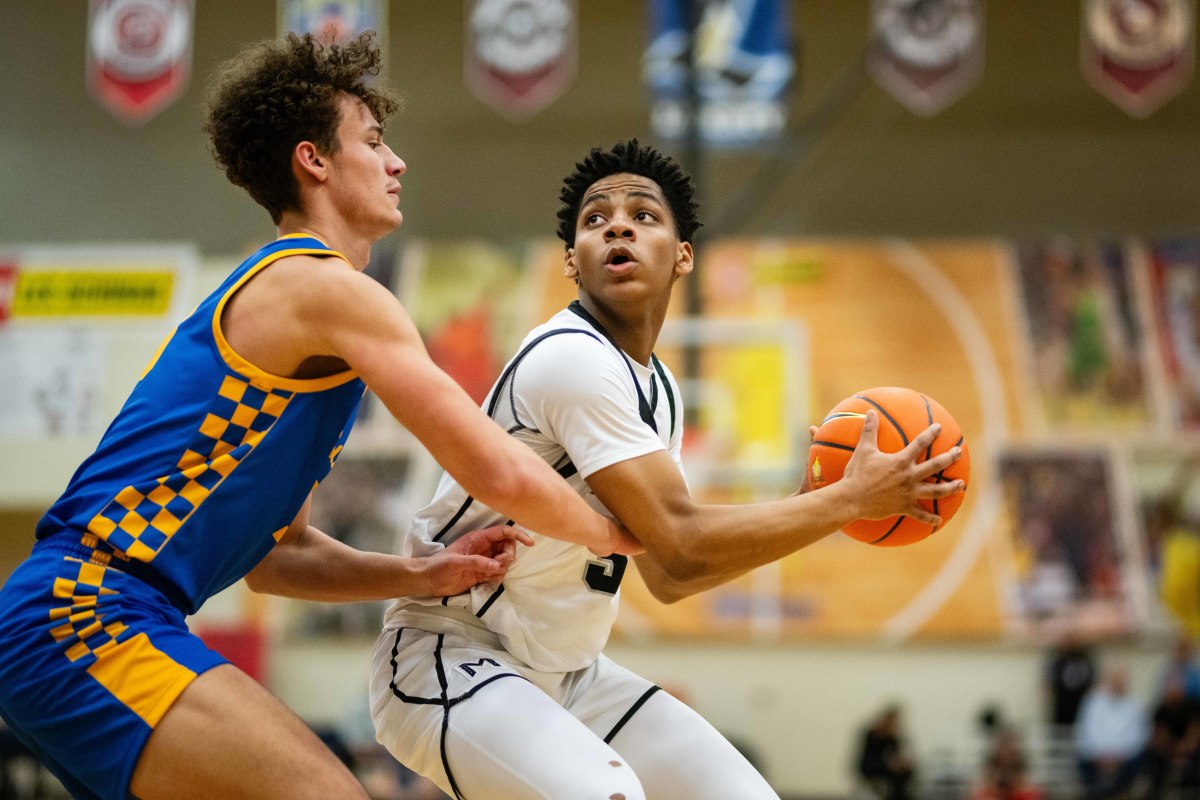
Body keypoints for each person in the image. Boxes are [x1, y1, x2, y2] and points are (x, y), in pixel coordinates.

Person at [0, 33, 635, 800]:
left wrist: (417, 575)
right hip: (87, 610)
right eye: (373, 141)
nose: (397, 162)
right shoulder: (321, 286)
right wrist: (622, 532)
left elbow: (277, 557)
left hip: (78, 618)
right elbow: (493, 465)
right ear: (314, 161)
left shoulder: (305, 313)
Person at [368, 140, 965, 799]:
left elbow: (666, 577)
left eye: (644, 215)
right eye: (595, 220)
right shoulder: (572, 360)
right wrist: (847, 501)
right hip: (451, 657)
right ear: (573, 261)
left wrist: (809, 505)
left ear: (684, 255)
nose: (617, 225)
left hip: (570, 676)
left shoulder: (660, 394)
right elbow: (681, 548)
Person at [1074, 663, 1149, 800]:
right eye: (1113, 679)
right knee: (1083, 761)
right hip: (1095, 759)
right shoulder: (1092, 703)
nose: (1116, 683)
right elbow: (1086, 734)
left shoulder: (1135, 705)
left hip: (1125, 759)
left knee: (1138, 762)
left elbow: (1139, 737)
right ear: (1106, 680)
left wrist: (1119, 755)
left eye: (1120, 680)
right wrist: (1102, 755)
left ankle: (1105, 792)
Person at [855, 705, 916, 800]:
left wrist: (902, 763)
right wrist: (890, 763)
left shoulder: (893, 738)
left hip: (887, 767)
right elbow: (870, 758)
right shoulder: (872, 735)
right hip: (871, 766)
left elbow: (896, 755)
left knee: (905, 772)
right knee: (894, 772)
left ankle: (900, 795)